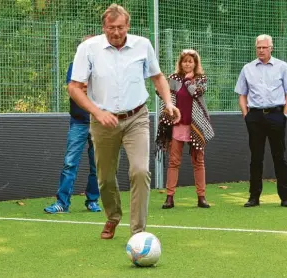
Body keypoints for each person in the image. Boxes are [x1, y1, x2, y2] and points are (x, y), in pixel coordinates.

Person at [68, 4, 180, 239]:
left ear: (127, 26)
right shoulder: (88, 48)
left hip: (136, 117)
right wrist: (97, 113)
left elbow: (157, 76)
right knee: (105, 177)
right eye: (111, 28)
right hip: (103, 121)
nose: (116, 32)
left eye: (120, 27)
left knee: (140, 171)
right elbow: (74, 88)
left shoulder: (142, 45)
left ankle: (138, 232)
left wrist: (168, 103)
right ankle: (113, 216)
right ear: (103, 27)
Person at [235, 34, 287, 208]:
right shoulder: (247, 68)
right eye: (258, 47)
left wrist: (284, 115)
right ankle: (254, 197)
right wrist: (246, 115)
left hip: (277, 115)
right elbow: (242, 94)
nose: (261, 50)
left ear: (271, 47)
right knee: (256, 157)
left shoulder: (282, 67)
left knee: (279, 156)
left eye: (264, 47)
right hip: (254, 117)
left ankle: (285, 197)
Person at [44, 35, 102, 214]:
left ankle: (92, 200)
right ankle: (62, 203)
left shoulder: (103, 68)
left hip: (99, 124)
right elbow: (73, 89)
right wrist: (85, 87)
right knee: (70, 163)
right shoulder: (74, 66)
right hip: (78, 123)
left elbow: (101, 90)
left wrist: (85, 86)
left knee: (98, 165)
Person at [156, 49, 215, 209]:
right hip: (178, 124)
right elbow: (163, 92)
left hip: (195, 126)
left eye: (191, 61)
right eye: (185, 61)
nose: (187, 64)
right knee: (174, 161)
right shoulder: (174, 78)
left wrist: (189, 81)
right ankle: (169, 197)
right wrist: (163, 90)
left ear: (195, 64)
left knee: (198, 161)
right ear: (180, 63)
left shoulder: (201, 79)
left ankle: (201, 197)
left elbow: (197, 93)